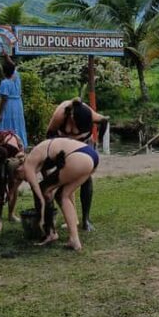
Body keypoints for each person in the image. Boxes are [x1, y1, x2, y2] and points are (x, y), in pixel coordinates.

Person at [22, 138, 100, 251]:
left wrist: (42, 218)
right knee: (63, 195)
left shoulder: (28, 163)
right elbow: (50, 183)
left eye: (18, 178)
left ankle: (51, 234)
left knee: (45, 189)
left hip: (78, 157)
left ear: (18, 168)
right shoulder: (40, 158)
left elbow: (39, 192)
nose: (24, 180)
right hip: (91, 156)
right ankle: (74, 240)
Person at [46, 98, 108, 231]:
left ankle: (86, 219)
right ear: (72, 118)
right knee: (65, 180)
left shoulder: (90, 114)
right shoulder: (60, 114)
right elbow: (49, 134)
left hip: (83, 145)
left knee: (86, 177)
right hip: (63, 146)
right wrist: (57, 154)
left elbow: (104, 121)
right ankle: (72, 218)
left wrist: (99, 139)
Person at [0, 51, 28, 149]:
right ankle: (20, 144)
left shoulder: (5, 83)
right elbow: (13, 66)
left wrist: (0, 114)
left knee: (7, 123)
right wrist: (6, 56)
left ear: (3, 72)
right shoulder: (16, 77)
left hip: (9, 105)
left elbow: (4, 99)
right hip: (18, 104)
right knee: (18, 124)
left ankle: (7, 144)